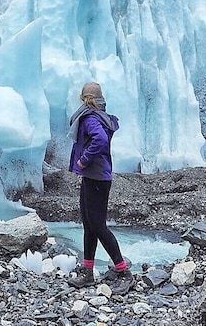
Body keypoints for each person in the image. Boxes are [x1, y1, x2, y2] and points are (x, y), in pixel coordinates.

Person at [66, 82, 133, 294]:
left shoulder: (90, 118)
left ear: (84, 99)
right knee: (89, 224)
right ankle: (87, 271)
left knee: (98, 225)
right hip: (94, 178)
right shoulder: (99, 116)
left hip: (96, 178)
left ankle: (123, 272)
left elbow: (100, 140)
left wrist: (83, 161)